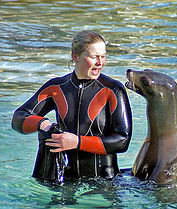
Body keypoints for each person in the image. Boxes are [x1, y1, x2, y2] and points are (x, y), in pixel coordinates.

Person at [12, 30, 132, 181]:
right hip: (63, 179)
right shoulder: (56, 87)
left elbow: (122, 141)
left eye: (103, 56)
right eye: (94, 57)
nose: (100, 63)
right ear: (75, 57)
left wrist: (77, 142)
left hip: (103, 182)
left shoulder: (113, 90)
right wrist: (41, 123)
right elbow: (18, 118)